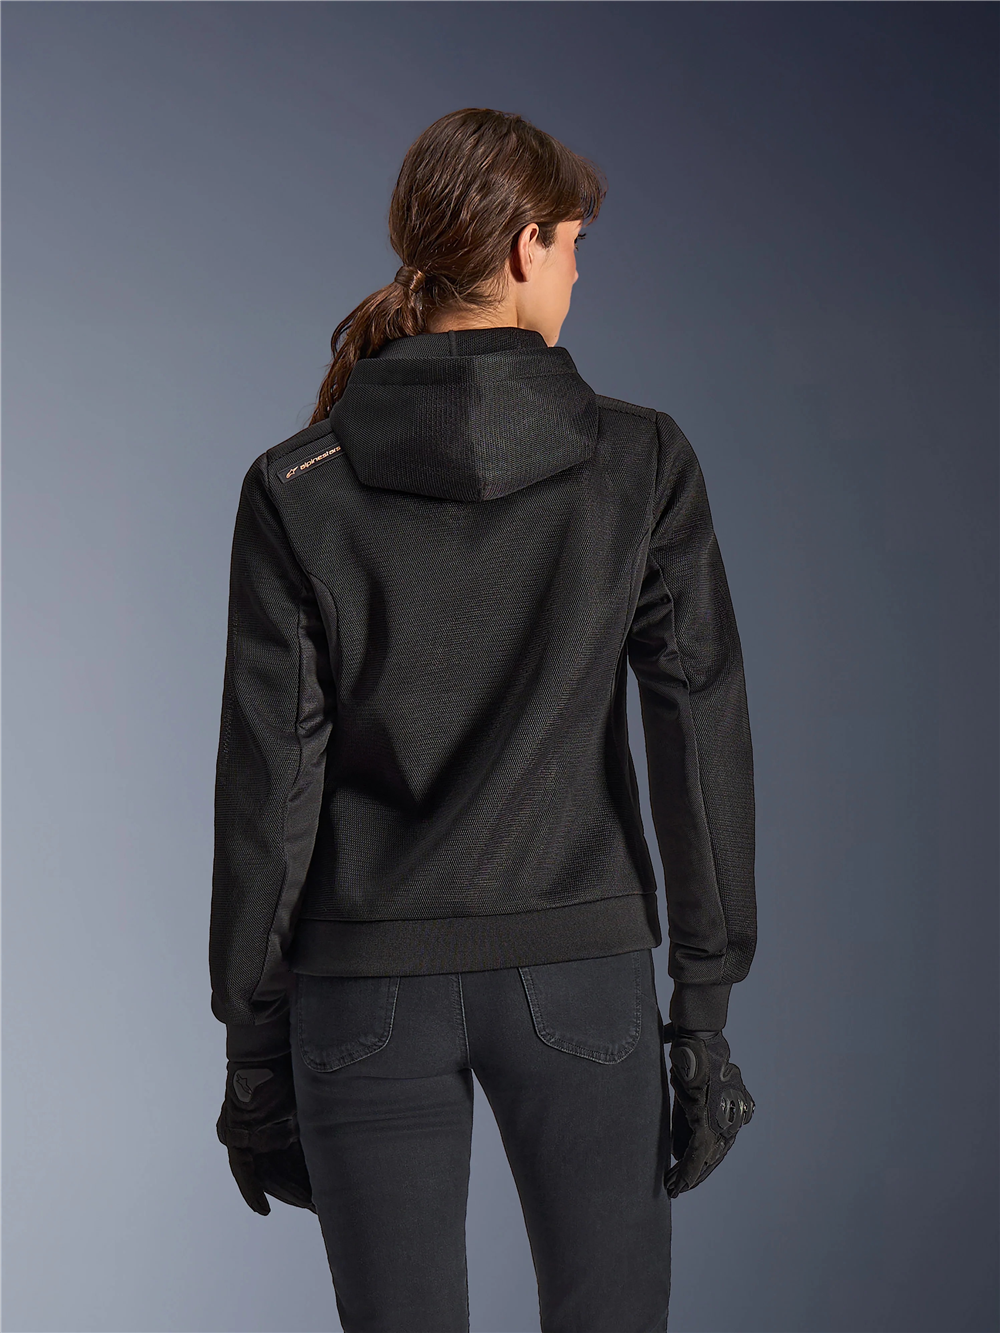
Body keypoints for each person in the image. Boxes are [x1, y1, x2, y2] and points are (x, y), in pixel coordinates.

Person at [209, 107, 756, 1333]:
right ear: (522, 248)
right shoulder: (641, 461)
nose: (576, 274)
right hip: (581, 968)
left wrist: (252, 1050)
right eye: (572, 243)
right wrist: (703, 1015)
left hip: (363, 987)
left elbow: (267, 792)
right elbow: (699, 734)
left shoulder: (295, 486)